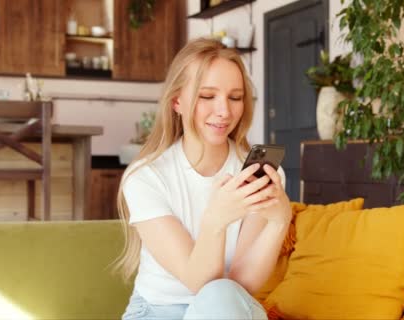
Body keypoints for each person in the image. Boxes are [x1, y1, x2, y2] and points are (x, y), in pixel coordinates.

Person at [115, 37, 291, 320]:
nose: (224, 111)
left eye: (235, 97)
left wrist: (280, 221)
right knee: (215, 293)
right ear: (177, 101)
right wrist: (216, 220)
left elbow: (240, 284)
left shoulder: (261, 172)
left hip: (228, 307)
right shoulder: (145, 178)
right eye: (207, 96)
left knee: (221, 296)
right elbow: (197, 281)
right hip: (157, 311)